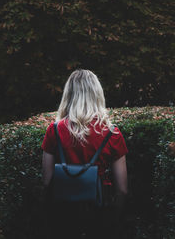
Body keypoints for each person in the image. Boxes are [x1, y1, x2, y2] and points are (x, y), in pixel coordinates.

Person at [41, 69, 128, 239]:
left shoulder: (55, 130)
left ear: (69, 95)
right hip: (99, 211)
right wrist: (114, 218)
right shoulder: (111, 133)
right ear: (97, 94)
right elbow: (123, 190)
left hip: (63, 212)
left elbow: (46, 181)